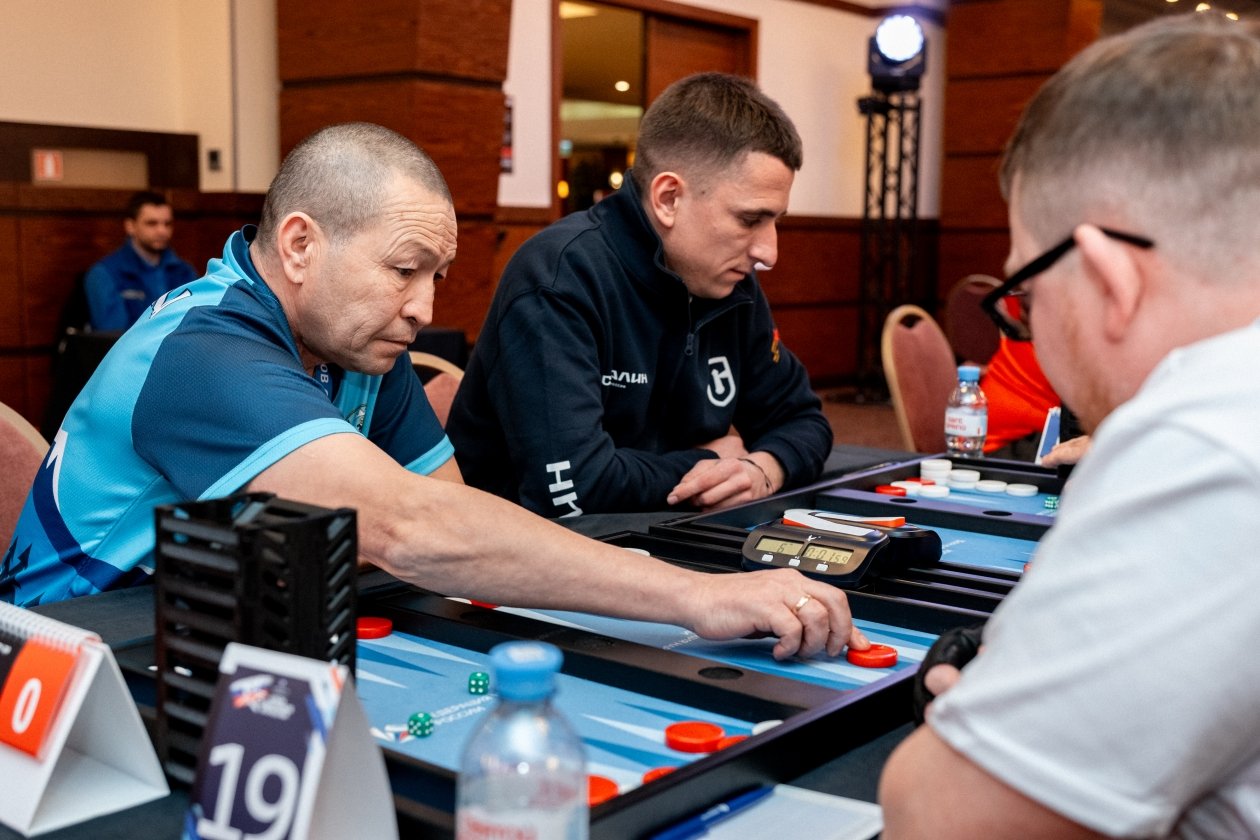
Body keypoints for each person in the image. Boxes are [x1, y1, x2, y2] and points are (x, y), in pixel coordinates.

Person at [1, 122, 866, 664]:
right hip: (77, 658)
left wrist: (411, 533)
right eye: (403, 270)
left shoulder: (355, 344)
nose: (424, 308)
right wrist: (695, 596)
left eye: (437, 276)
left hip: (223, 628)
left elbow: (451, 516)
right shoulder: (201, 353)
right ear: (299, 246)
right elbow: (414, 530)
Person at [880, 15, 1260, 838]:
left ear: (1109, 278)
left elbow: (939, 818)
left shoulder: (1201, 442)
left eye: (1025, 296)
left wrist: (985, 708)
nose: (1030, 329)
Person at [446, 73, 832, 518]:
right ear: (668, 198)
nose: (769, 252)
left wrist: (762, 469)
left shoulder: (729, 281)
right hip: (525, 547)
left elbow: (804, 420)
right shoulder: (557, 278)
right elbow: (573, 488)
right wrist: (708, 462)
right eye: (750, 220)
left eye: (775, 221)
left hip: (662, 534)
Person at [83, 190, 198, 331]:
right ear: (130, 226)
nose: (162, 231)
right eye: (152, 223)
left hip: (178, 344)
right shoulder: (104, 274)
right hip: (130, 345)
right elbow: (112, 332)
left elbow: (197, 323)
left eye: (167, 224)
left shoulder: (184, 271)